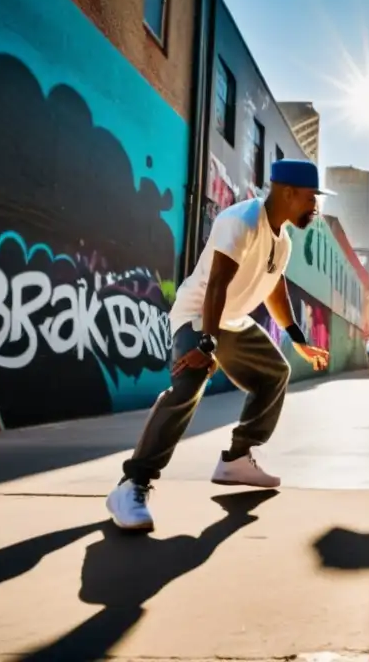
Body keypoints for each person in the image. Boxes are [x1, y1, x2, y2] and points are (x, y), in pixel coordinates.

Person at [107, 159, 333, 532]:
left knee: (274, 373)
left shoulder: (284, 240)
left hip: (229, 322)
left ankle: (237, 458)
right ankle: (132, 483)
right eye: (312, 198)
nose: (315, 207)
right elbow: (216, 285)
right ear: (288, 192)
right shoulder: (242, 221)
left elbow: (274, 287)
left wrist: (298, 338)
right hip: (198, 316)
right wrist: (207, 345)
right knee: (189, 384)